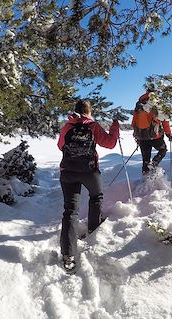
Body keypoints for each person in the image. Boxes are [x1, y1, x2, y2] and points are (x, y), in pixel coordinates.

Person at [57, 99, 119, 273]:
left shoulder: (67, 126)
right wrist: (115, 127)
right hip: (89, 171)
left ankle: (68, 254)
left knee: (70, 211)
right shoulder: (93, 126)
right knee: (96, 196)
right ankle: (93, 226)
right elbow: (110, 143)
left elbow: (60, 145)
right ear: (89, 112)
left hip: (68, 172)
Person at [131, 87, 172, 175]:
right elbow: (165, 120)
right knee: (163, 150)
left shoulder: (138, 105)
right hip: (155, 136)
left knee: (145, 159)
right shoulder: (157, 103)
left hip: (142, 137)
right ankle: (154, 164)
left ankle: (145, 179)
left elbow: (133, 123)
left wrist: (137, 135)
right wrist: (169, 134)